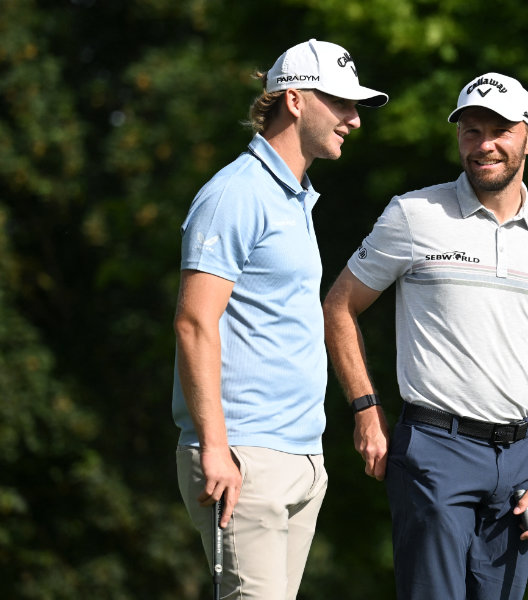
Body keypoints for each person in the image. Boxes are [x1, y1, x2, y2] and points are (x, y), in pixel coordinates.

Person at [323, 72, 528, 600]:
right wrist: (366, 411)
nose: (484, 144)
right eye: (471, 130)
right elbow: (339, 306)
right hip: (435, 450)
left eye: (501, 130)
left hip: (521, 462)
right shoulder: (414, 214)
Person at [171, 39, 387, 599]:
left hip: (299, 457)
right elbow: (195, 322)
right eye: (341, 103)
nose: (354, 120)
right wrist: (216, 446)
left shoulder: (294, 197)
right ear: (294, 100)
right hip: (242, 453)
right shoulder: (236, 193)